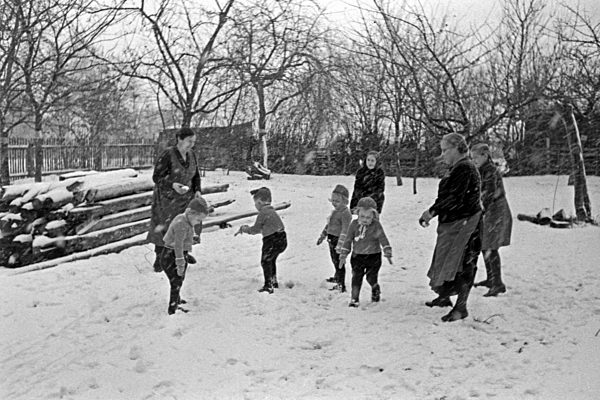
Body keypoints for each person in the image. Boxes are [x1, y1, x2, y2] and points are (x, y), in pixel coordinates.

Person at [419, 133, 482, 322]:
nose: (443, 154)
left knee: (463, 264)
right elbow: (448, 196)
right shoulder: (457, 168)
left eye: (446, 150)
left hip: (466, 225)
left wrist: (432, 212)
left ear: (457, 148)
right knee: (446, 260)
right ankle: (445, 296)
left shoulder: (465, 168)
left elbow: (454, 199)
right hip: (453, 224)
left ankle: (461, 307)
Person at [147, 127, 204, 272]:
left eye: (194, 141)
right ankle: (160, 258)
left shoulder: (192, 154)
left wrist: (197, 190)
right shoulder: (168, 154)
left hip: (186, 198)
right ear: (179, 139)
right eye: (189, 141)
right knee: (165, 228)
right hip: (167, 199)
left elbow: (196, 175)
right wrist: (172, 185)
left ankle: (183, 253)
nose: (192, 144)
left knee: (186, 226)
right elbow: (157, 177)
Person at [471, 143, 512, 297]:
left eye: (476, 157)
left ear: (485, 155)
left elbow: (489, 193)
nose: (474, 160)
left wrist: (481, 210)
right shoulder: (481, 169)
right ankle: (491, 279)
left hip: (496, 211)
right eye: (472, 157)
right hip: (489, 211)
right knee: (485, 245)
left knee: (490, 246)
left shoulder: (490, 171)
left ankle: (498, 284)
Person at [339, 197, 393, 307]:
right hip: (357, 256)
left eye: (368, 217)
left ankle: (375, 287)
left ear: (374, 216)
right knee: (356, 278)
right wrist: (344, 254)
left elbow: (382, 238)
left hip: (373, 256)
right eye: (362, 216)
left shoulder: (376, 225)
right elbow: (348, 239)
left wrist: (387, 249)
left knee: (371, 277)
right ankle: (354, 299)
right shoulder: (354, 225)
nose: (365, 219)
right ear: (357, 213)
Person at [159, 197, 209, 315]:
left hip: (174, 254)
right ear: (191, 213)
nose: (198, 223)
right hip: (171, 256)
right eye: (198, 220)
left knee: (179, 279)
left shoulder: (184, 219)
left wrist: (191, 240)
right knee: (176, 281)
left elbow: (182, 240)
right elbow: (178, 245)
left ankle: (177, 300)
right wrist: (180, 262)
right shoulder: (181, 224)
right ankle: (173, 309)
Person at [236, 187, 287, 294]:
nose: (255, 206)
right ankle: (273, 281)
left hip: (272, 240)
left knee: (265, 261)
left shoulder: (263, 213)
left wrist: (245, 229)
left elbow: (256, 229)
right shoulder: (271, 211)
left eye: (255, 203)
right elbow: (266, 227)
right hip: (282, 238)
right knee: (271, 260)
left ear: (259, 202)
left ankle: (268, 285)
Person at [317, 184, 353, 292]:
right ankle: (337, 276)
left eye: (337, 201)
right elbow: (329, 225)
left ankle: (341, 284)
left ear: (345, 201)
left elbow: (345, 230)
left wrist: (341, 244)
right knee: (334, 260)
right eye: (333, 200)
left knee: (339, 263)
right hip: (331, 239)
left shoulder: (345, 213)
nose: (334, 203)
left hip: (339, 241)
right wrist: (322, 236)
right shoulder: (335, 212)